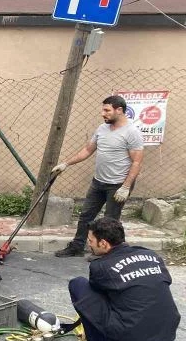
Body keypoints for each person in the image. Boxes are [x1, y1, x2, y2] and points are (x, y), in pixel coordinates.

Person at [68, 217, 179, 341]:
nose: (89, 244)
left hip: (129, 338)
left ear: (103, 243)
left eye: (91, 240)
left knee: (78, 285)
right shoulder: (151, 255)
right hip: (166, 335)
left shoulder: (100, 266)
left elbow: (98, 297)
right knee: (137, 294)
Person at [53, 95, 144, 258]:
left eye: (107, 110)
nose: (103, 113)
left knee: (110, 222)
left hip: (118, 185)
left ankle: (108, 254)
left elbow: (136, 162)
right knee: (86, 216)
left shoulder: (132, 132)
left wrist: (125, 187)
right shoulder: (102, 129)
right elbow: (87, 150)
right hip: (98, 182)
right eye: (103, 110)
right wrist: (66, 164)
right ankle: (77, 246)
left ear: (119, 110)